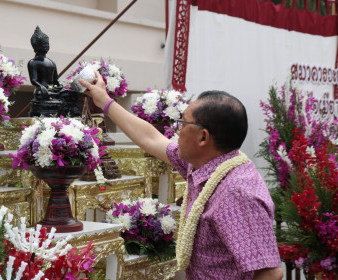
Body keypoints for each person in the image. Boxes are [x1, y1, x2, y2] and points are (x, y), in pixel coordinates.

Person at [80, 72, 283, 280]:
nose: (177, 132)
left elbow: (270, 273)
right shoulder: (205, 162)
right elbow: (151, 138)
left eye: (183, 124)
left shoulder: (236, 193)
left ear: (203, 137)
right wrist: (104, 101)